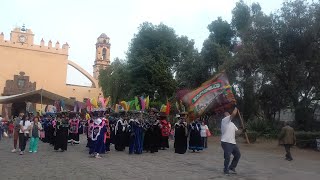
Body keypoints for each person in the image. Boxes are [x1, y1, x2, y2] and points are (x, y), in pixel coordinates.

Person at [221, 107, 243, 175]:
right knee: (228, 156)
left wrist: (242, 130)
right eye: (226, 113)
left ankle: (232, 167)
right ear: (225, 115)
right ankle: (225, 170)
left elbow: (237, 132)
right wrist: (236, 108)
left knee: (238, 155)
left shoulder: (232, 124)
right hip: (226, 142)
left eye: (228, 113)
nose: (228, 113)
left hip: (233, 142)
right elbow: (233, 114)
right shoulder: (224, 120)